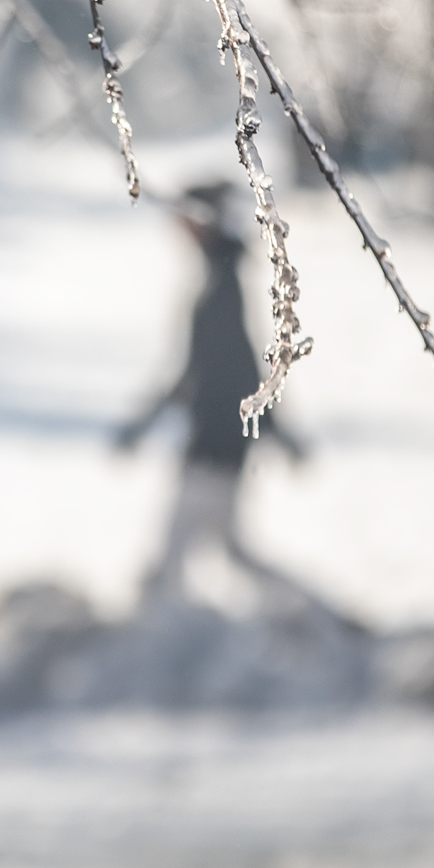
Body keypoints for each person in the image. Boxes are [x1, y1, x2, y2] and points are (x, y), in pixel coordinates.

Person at [113, 183, 309, 605]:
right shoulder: (219, 278)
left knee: (176, 558)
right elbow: (217, 367)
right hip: (220, 441)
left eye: (186, 216)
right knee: (229, 550)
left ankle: (156, 634)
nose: (178, 226)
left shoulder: (219, 288)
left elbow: (229, 368)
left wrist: (273, 428)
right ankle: (308, 612)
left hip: (213, 444)